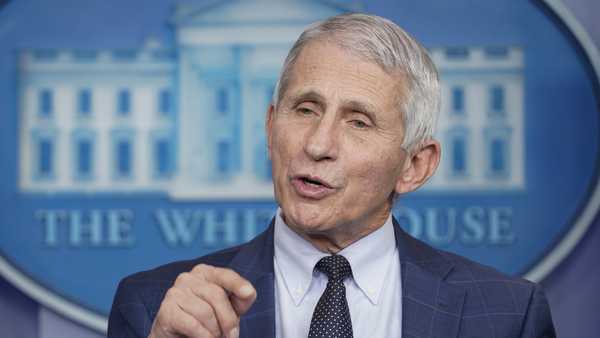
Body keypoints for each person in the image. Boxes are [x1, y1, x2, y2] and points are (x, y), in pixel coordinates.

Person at [108, 13, 556, 338]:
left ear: (415, 165)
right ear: (270, 128)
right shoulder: (155, 306)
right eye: (305, 110)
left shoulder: (507, 315)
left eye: (358, 122)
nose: (317, 145)